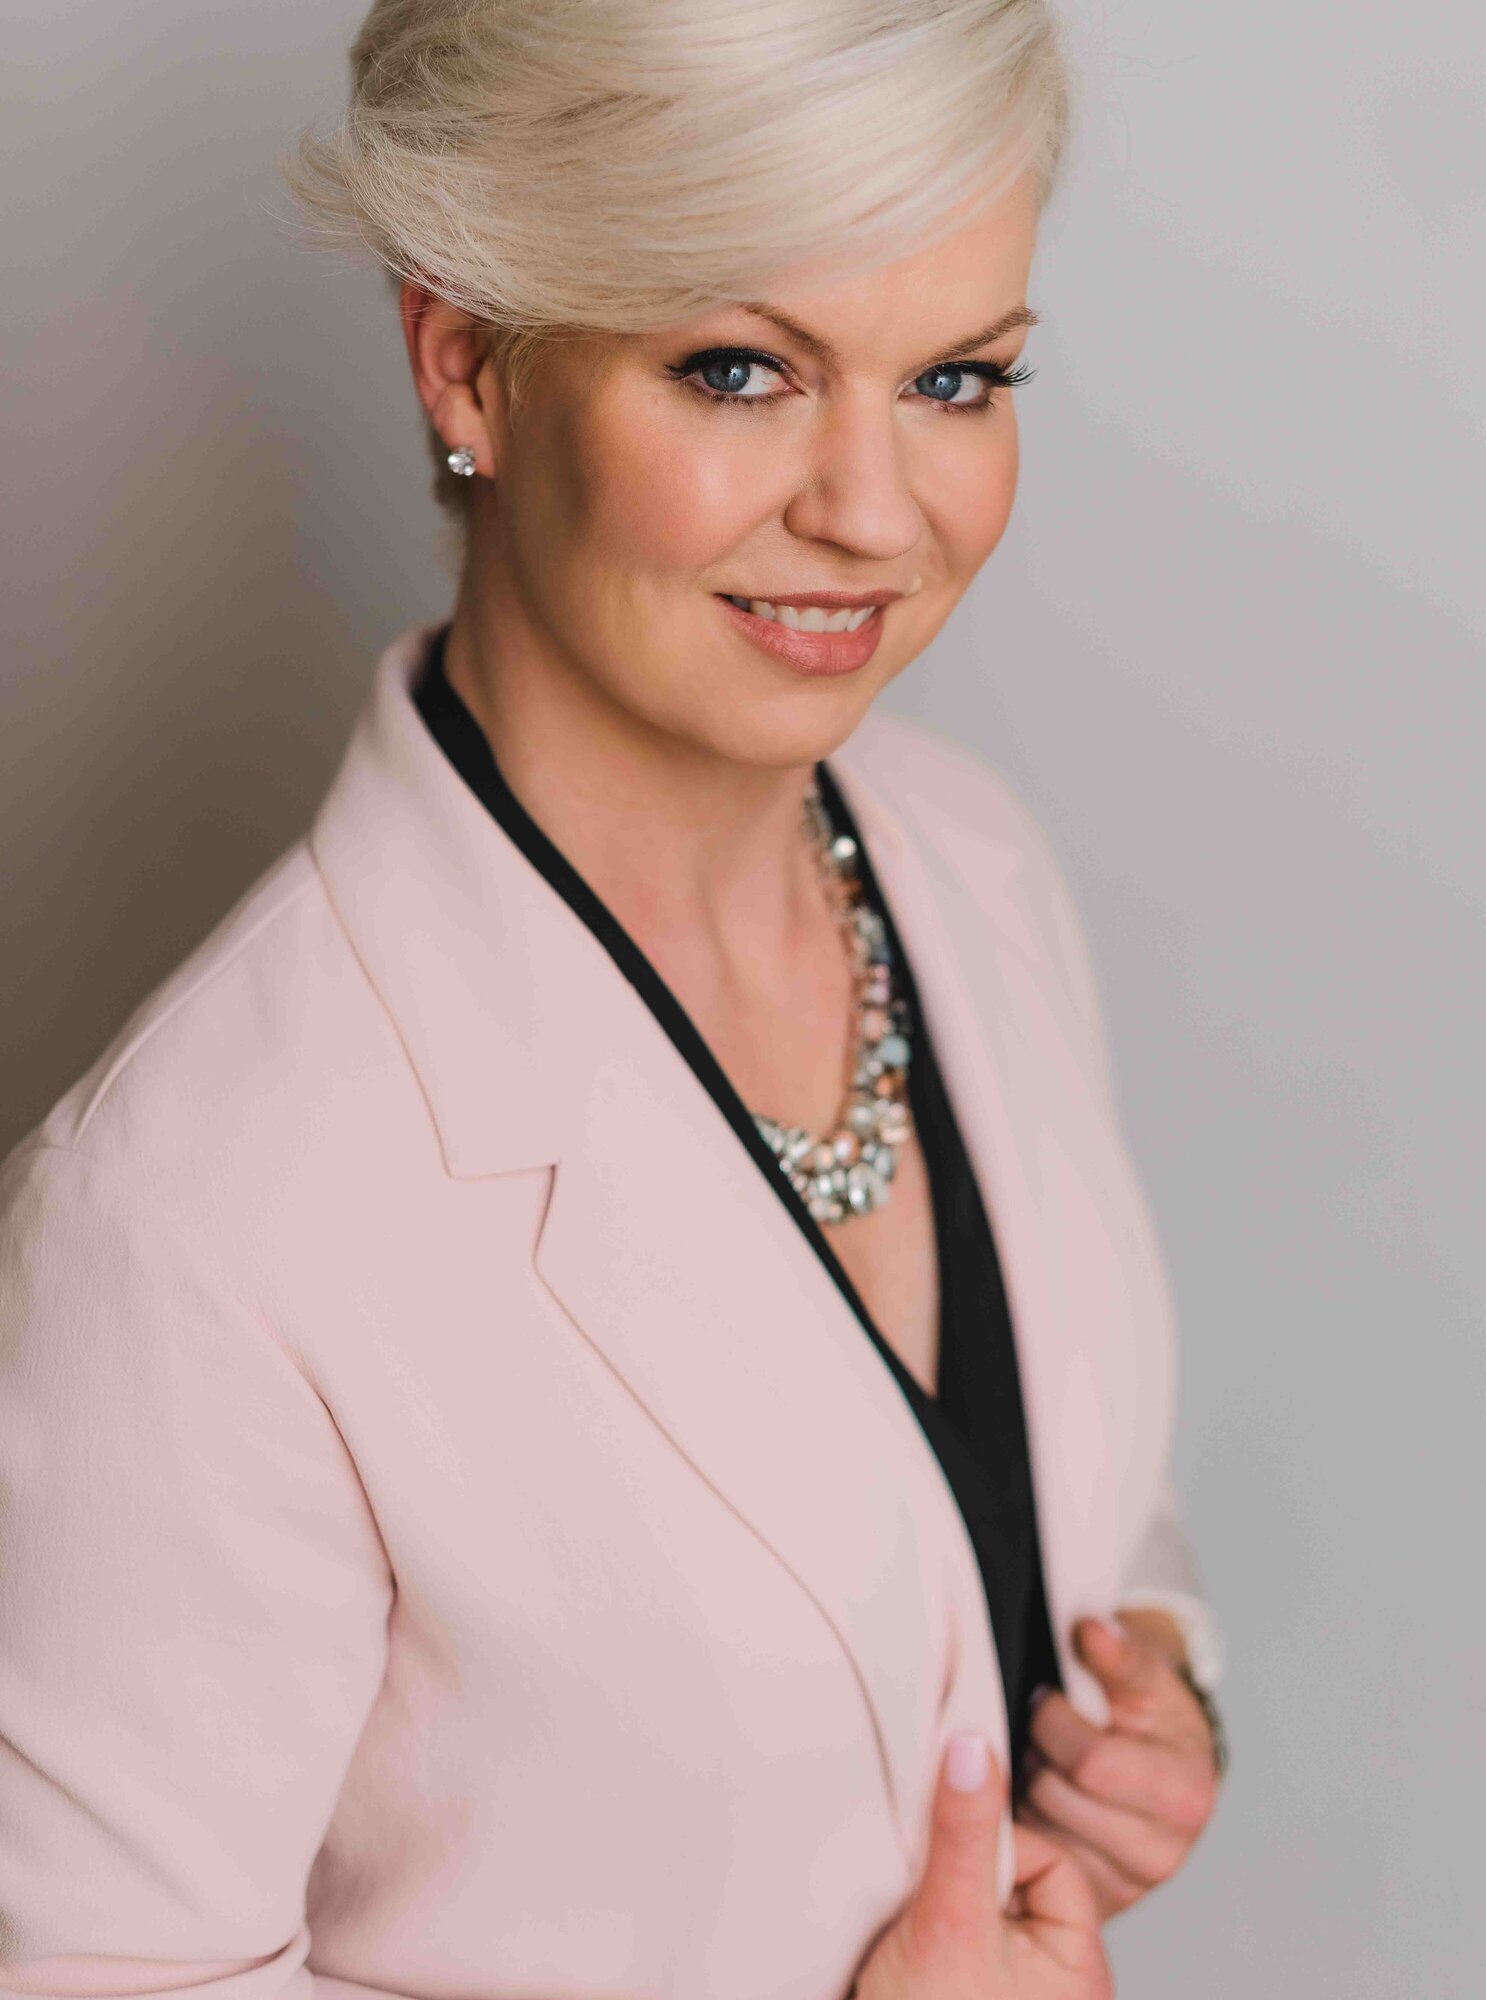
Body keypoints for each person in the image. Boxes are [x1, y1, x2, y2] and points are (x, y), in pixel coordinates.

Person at [0, 3, 1227, 1995]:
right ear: (464, 356)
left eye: (954, 379)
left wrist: (1138, 1673)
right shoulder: (188, 1220)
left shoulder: (965, 863)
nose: (873, 509)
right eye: (741, 370)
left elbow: (985, 1474)